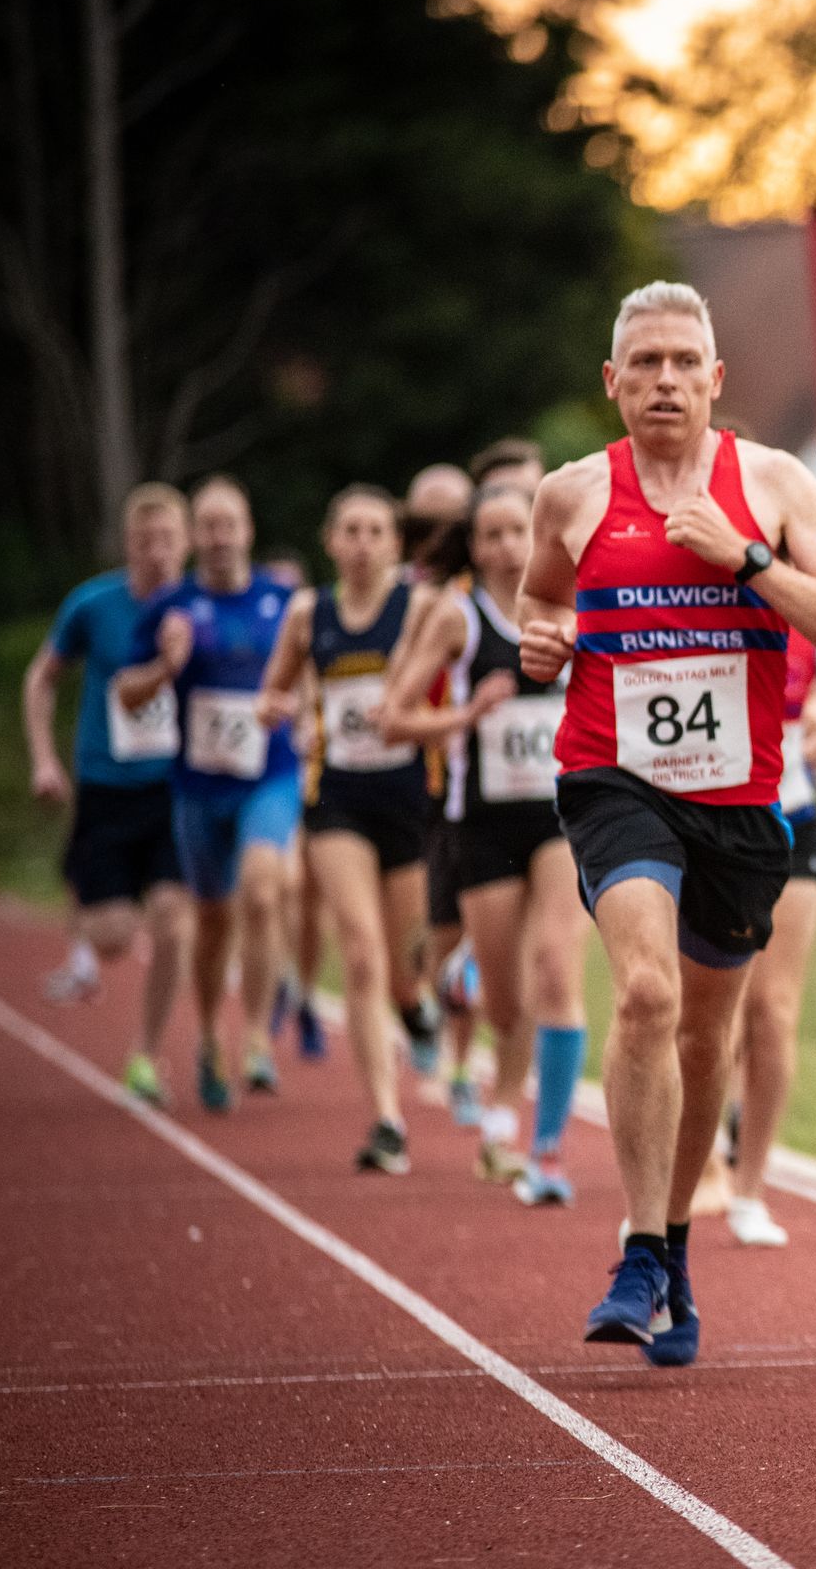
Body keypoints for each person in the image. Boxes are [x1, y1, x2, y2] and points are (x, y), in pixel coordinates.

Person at [517, 281, 816, 1367]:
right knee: (645, 991)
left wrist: (748, 559)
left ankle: (674, 1241)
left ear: (717, 378)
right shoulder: (572, 495)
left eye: (686, 362)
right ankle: (639, 1250)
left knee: (706, 1035)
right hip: (614, 780)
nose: (667, 381)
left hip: (740, 799)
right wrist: (540, 642)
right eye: (646, 363)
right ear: (613, 381)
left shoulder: (772, 485)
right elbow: (539, 601)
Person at [382, 480, 590, 1205]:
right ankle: (468, 985)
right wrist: (467, 715)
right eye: (492, 534)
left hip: (566, 816)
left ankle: (540, 1141)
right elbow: (393, 717)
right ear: (472, 546)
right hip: (482, 825)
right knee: (504, 1000)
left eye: (519, 531)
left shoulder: (578, 606)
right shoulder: (457, 617)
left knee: (556, 967)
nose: (507, 547)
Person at [114, 475, 312, 1114]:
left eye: (230, 525)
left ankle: (255, 1036)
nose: (221, 537)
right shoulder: (172, 607)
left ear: (248, 530)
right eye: (209, 526)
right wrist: (166, 668)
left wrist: (298, 710)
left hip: (269, 774)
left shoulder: (283, 601)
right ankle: (206, 1036)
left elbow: (313, 674)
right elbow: (126, 693)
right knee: (213, 919)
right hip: (199, 787)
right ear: (195, 536)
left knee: (262, 890)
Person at [258, 486, 426, 1173]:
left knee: (407, 971)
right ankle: (387, 1117)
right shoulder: (308, 613)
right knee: (360, 951)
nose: (362, 543)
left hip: (410, 798)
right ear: (330, 541)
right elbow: (273, 690)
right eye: (350, 530)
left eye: (375, 531)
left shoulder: (419, 609)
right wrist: (277, 710)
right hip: (337, 800)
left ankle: (416, 1009)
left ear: (396, 543)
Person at [23, 484, 195, 1101]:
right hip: (106, 785)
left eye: (167, 539)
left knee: (173, 920)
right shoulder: (93, 604)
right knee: (114, 938)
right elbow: (42, 678)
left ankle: (146, 1054)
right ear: (127, 545)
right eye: (144, 541)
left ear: (186, 542)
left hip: (175, 789)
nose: (156, 552)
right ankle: (96, 903)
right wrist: (45, 759)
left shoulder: (198, 608)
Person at [696, 636, 816, 1244]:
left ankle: (749, 1189)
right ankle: (704, 1166)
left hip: (790, 821)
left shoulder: (814, 620)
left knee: (774, 1012)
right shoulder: (699, 601)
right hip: (711, 826)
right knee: (716, 1014)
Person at [399, 461, 483, 1113]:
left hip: (477, 784)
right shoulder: (408, 596)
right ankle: (417, 1000)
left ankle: (461, 1066)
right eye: (426, 521)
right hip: (415, 777)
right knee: (433, 929)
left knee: (471, 928)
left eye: (450, 520)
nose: (437, 532)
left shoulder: (493, 589)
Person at [257, 548, 329, 1062]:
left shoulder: (320, 643)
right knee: (283, 886)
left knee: (310, 900)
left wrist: (309, 720)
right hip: (274, 781)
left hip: (318, 780)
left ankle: (303, 991)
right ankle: (283, 979)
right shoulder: (261, 646)